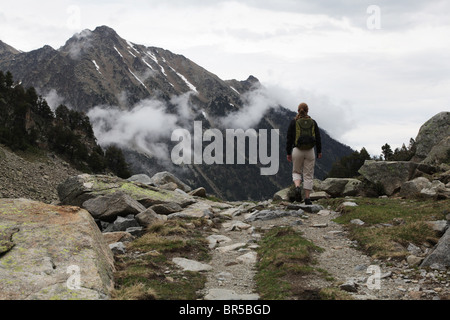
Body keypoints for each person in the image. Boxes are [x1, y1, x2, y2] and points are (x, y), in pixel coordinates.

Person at [286, 102, 322, 205]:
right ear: (307, 111)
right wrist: (319, 151)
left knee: (296, 171)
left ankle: (297, 187)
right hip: (310, 151)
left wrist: (288, 153)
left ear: (298, 110)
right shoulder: (313, 122)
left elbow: (289, 138)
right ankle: (307, 198)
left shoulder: (294, 122)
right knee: (308, 175)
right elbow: (318, 138)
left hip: (297, 150)